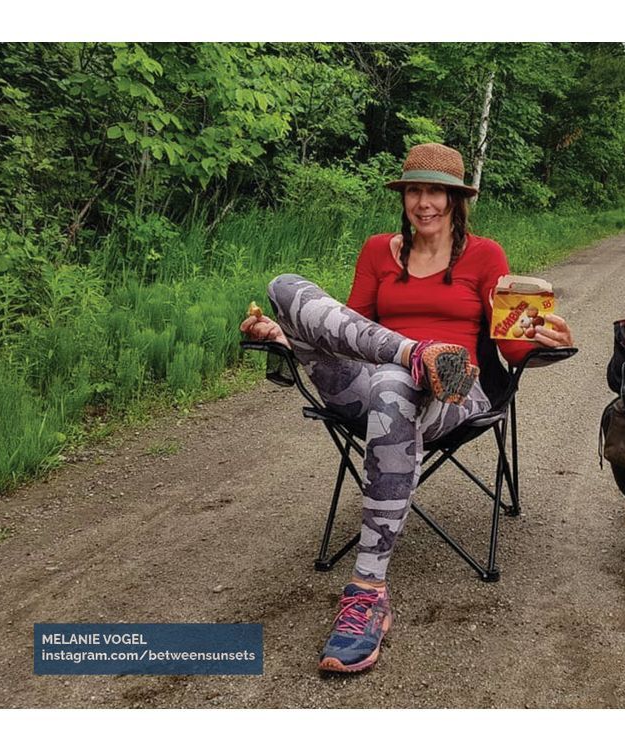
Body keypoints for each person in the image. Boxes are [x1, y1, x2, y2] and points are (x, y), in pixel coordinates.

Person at [240, 143, 574, 673]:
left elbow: (509, 345)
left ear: (456, 200)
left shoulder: (486, 257)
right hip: (374, 378)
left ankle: (368, 591)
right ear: (404, 197)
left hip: (455, 394)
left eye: (436, 192)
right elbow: (349, 331)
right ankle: (413, 355)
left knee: (395, 386)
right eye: (415, 191)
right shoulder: (378, 251)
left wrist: (545, 342)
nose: (424, 203)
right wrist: (286, 335)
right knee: (285, 288)